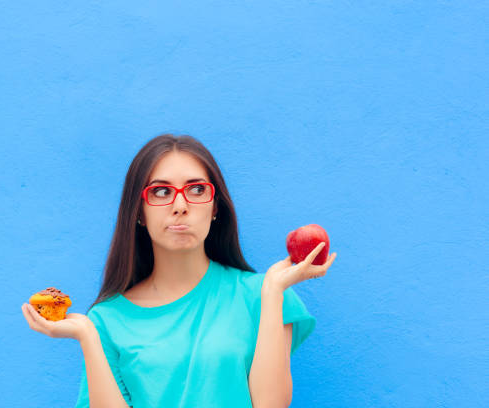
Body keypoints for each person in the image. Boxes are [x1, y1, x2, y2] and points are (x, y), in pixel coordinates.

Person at [21, 134, 337, 407]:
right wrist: (86, 334)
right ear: (139, 213)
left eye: (197, 189)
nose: (180, 205)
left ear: (215, 208)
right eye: (161, 192)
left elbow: (270, 405)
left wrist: (271, 292)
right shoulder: (107, 320)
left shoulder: (261, 294)